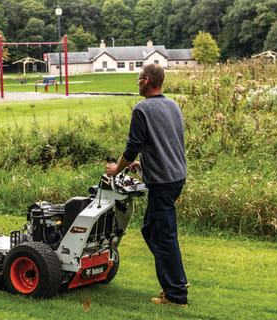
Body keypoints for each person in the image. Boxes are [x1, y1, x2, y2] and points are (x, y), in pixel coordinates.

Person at [106, 64, 189, 307]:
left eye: (139, 78)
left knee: (162, 236)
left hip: (162, 183)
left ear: (148, 80)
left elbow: (132, 146)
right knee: (153, 231)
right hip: (175, 177)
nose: (137, 82)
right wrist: (143, 166)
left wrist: (116, 169)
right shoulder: (172, 105)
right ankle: (177, 279)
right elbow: (167, 144)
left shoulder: (142, 109)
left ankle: (176, 295)